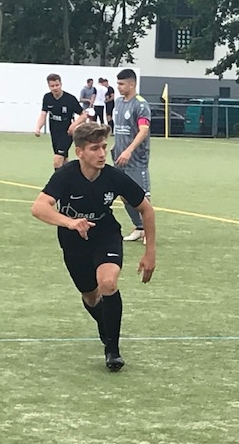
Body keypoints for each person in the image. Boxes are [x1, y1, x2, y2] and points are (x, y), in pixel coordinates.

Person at [31, 122, 156, 372]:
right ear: (79, 152)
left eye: (104, 147)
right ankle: (106, 327)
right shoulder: (66, 175)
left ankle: (113, 350)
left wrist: (150, 252)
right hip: (73, 241)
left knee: (107, 283)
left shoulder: (114, 177)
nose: (101, 154)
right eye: (94, 148)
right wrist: (70, 222)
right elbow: (39, 207)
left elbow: (146, 209)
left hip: (105, 235)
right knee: (90, 296)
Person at [112, 68, 152, 242]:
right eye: (118, 83)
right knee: (123, 194)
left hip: (136, 159)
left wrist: (129, 150)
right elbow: (121, 128)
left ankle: (149, 233)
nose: (118, 87)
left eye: (121, 84)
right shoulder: (118, 102)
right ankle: (139, 227)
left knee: (143, 197)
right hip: (119, 157)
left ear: (132, 84)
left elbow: (143, 130)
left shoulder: (141, 105)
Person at [34, 73, 88, 170]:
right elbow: (43, 114)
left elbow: (83, 115)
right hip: (54, 132)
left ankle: (57, 180)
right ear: (49, 86)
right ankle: (70, 178)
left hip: (67, 133)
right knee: (64, 159)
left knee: (57, 159)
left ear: (61, 84)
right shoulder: (47, 98)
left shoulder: (70, 99)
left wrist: (74, 125)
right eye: (52, 86)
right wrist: (38, 127)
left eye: (57, 85)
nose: (55, 88)